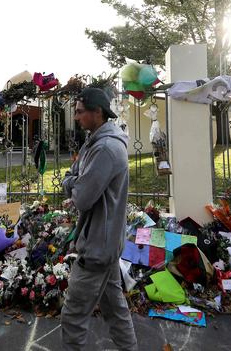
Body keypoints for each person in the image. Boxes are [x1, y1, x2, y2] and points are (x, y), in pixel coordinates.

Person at [60, 87, 137, 351]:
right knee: (115, 309)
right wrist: (74, 181)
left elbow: (81, 197)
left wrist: (72, 183)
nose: (77, 117)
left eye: (81, 112)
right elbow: (74, 175)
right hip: (106, 241)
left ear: (97, 113)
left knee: (73, 316)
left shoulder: (105, 149)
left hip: (97, 247)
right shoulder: (93, 141)